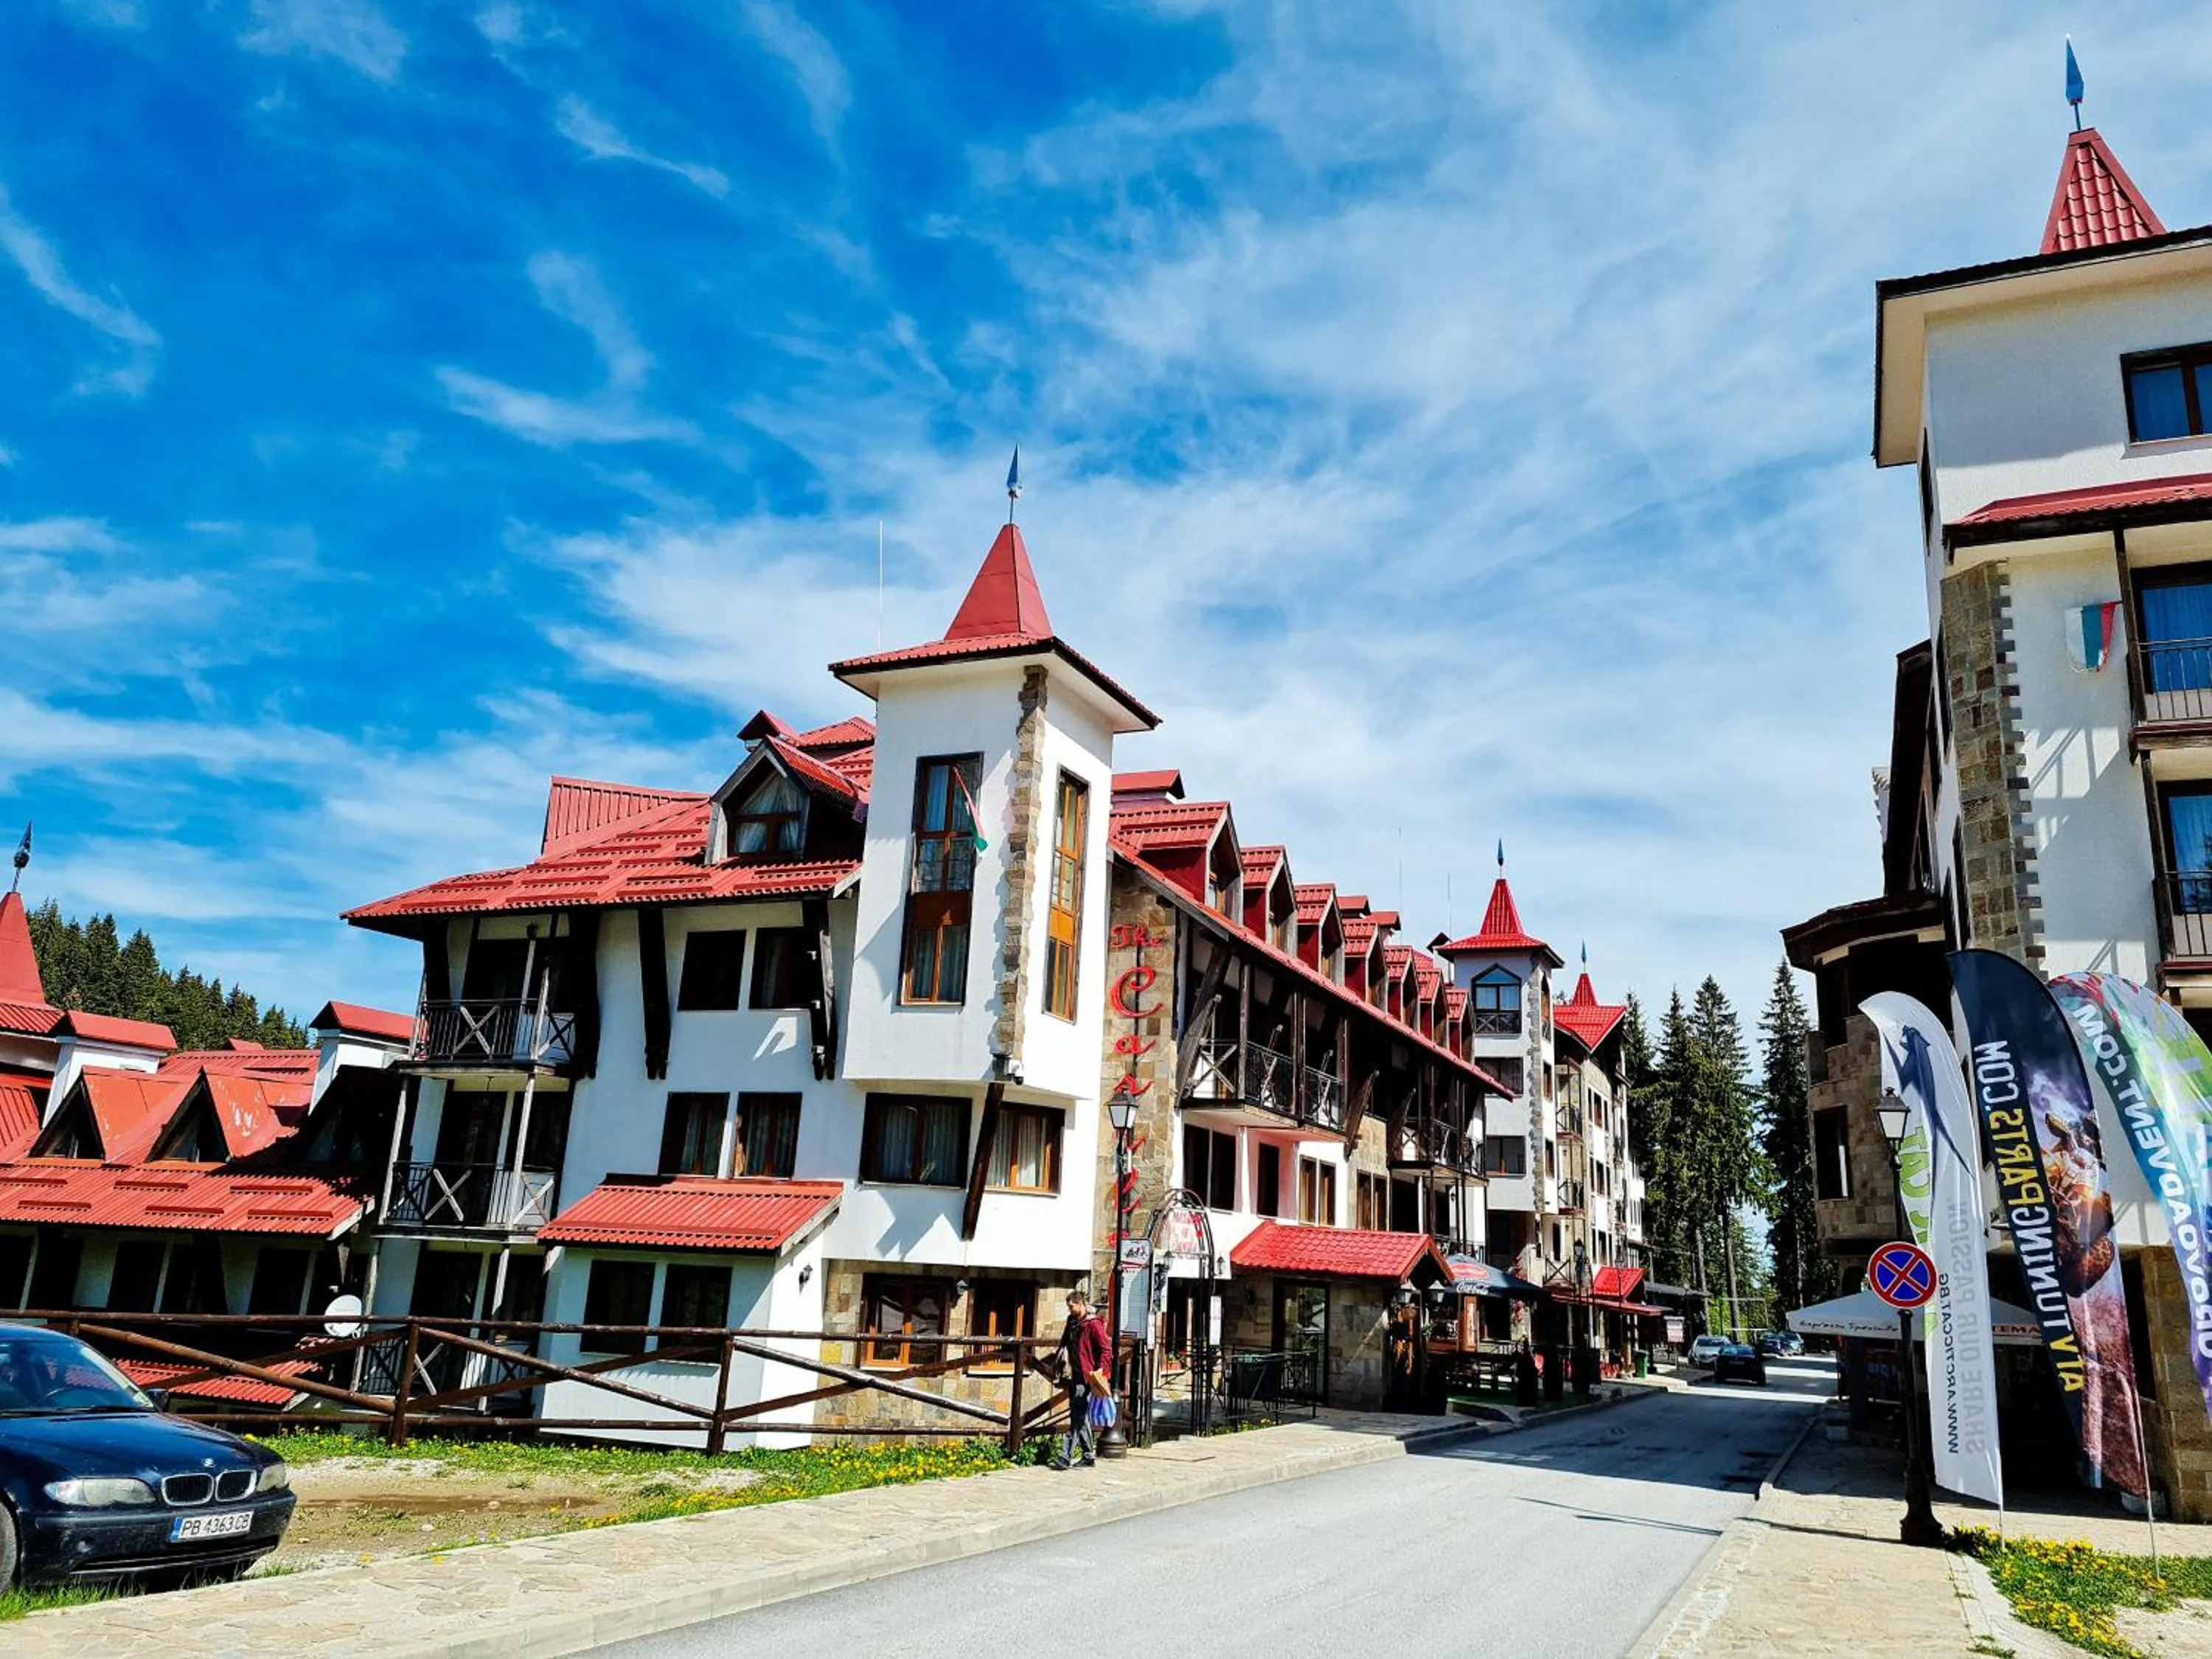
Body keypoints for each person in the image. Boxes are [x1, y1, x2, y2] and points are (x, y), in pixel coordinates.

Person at [1052, 1288, 1113, 1471]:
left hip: (1088, 1376)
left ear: (1081, 1304)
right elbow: (1064, 1342)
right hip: (1075, 1374)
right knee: (1080, 1414)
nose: (1070, 1310)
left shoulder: (1093, 1324)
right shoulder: (1072, 1322)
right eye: (1068, 1307)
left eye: (1072, 1307)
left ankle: (1065, 1455)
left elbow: (1106, 1349)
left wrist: (1102, 1369)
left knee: (1077, 1414)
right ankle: (1088, 1456)